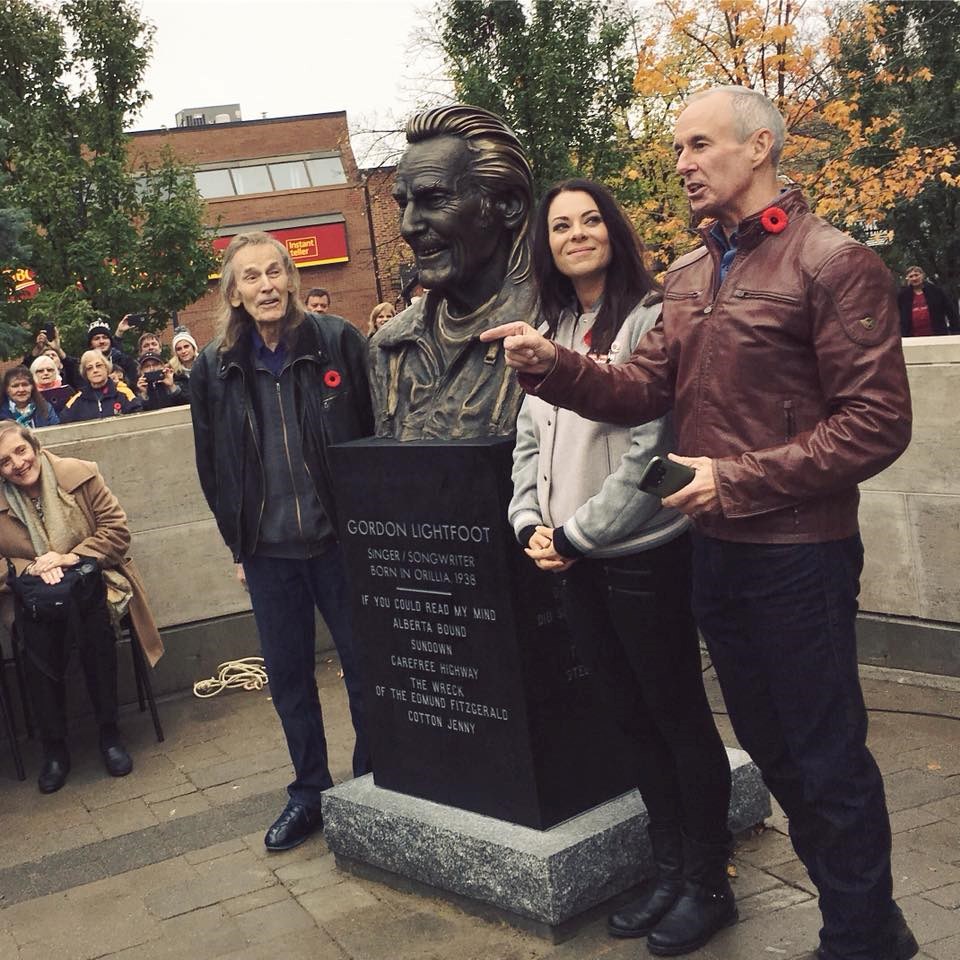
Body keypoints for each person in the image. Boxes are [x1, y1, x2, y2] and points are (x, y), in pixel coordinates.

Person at [482, 86, 916, 960]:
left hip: (801, 555)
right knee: (772, 750)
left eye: (697, 145)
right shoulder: (686, 277)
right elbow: (637, 390)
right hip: (717, 556)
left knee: (827, 761)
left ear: (760, 148)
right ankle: (869, 925)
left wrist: (738, 479)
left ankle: (862, 939)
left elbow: (877, 422)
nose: (680, 163)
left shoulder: (832, 263)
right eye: (677, 148)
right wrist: (551, 365)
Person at [509, 178, 734, 952]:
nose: (577, 234)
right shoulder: (550, 326)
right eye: (561, 225)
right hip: (574, 560)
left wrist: (578, 535)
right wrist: (531, 522)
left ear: (615, 229)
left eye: (590, 220)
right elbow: (529, 440)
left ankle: (708, 881)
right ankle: (666, 868)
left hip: (641, 559)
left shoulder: (650, 319)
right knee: (630, 721)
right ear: (547, 244)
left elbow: (653, 456)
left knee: (678, 719)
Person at [190, 231, 373, 852]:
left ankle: (375, 779)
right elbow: (212, 466)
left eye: (275, 272)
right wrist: (239, 545)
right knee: (289, 677)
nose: (266, 285)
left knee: (365, 666)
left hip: (341, 544)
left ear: (291, 279)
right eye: (251, 277)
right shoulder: (213, 367)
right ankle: (310, 791)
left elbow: (377, 434)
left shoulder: (339, 340)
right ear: (234, 293)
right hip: (269, 554)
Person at [0, 422, 163, 793]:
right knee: (34, 635)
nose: (17, 464)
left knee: (92, 623)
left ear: (35, 446)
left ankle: (109, 733)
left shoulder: (80, 474)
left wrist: (68, 558)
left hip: (91, 579)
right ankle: (54, 748)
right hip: (31, 594)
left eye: (21, 452)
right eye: (5, 462)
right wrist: (32, 569)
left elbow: (117, 532)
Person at [369, 103, 537, 440]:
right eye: (404, 204)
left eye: (434, 199)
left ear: (508, 205)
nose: (408, 226)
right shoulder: (389, 349)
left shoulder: (558, 329)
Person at [60, 350, 142, 423]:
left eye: (98, 365)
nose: (95, 370)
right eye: (89, 368)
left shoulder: (124, 392)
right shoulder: (77, 399)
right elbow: (63, 424)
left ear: (106, 368)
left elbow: (138, 418)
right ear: (86, 374)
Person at [897, 266, 959, 336]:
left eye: (916, 275)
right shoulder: (903, 295)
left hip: (937, 335)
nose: (914, 278)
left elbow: (951, 312)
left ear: (922, 275)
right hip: (911, 337)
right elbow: (897, 316)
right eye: (911, 276)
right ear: (908, 279)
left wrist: (955, 332)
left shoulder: (936, 291)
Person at [23, 325, 82, 389]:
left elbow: (75, 367)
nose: (50, 357)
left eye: (53, 355)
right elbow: (20, 372)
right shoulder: (31, 389)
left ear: (60, 364)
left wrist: (58, 350)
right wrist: (36, 350)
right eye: (47, 356)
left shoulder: (69, 380)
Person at [86, 317, 139, 386]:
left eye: (105, 337)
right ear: (91, 344)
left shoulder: (125, 361)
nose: (101, 341)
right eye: (97, 338)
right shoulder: (86, 365)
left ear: (110, 341)